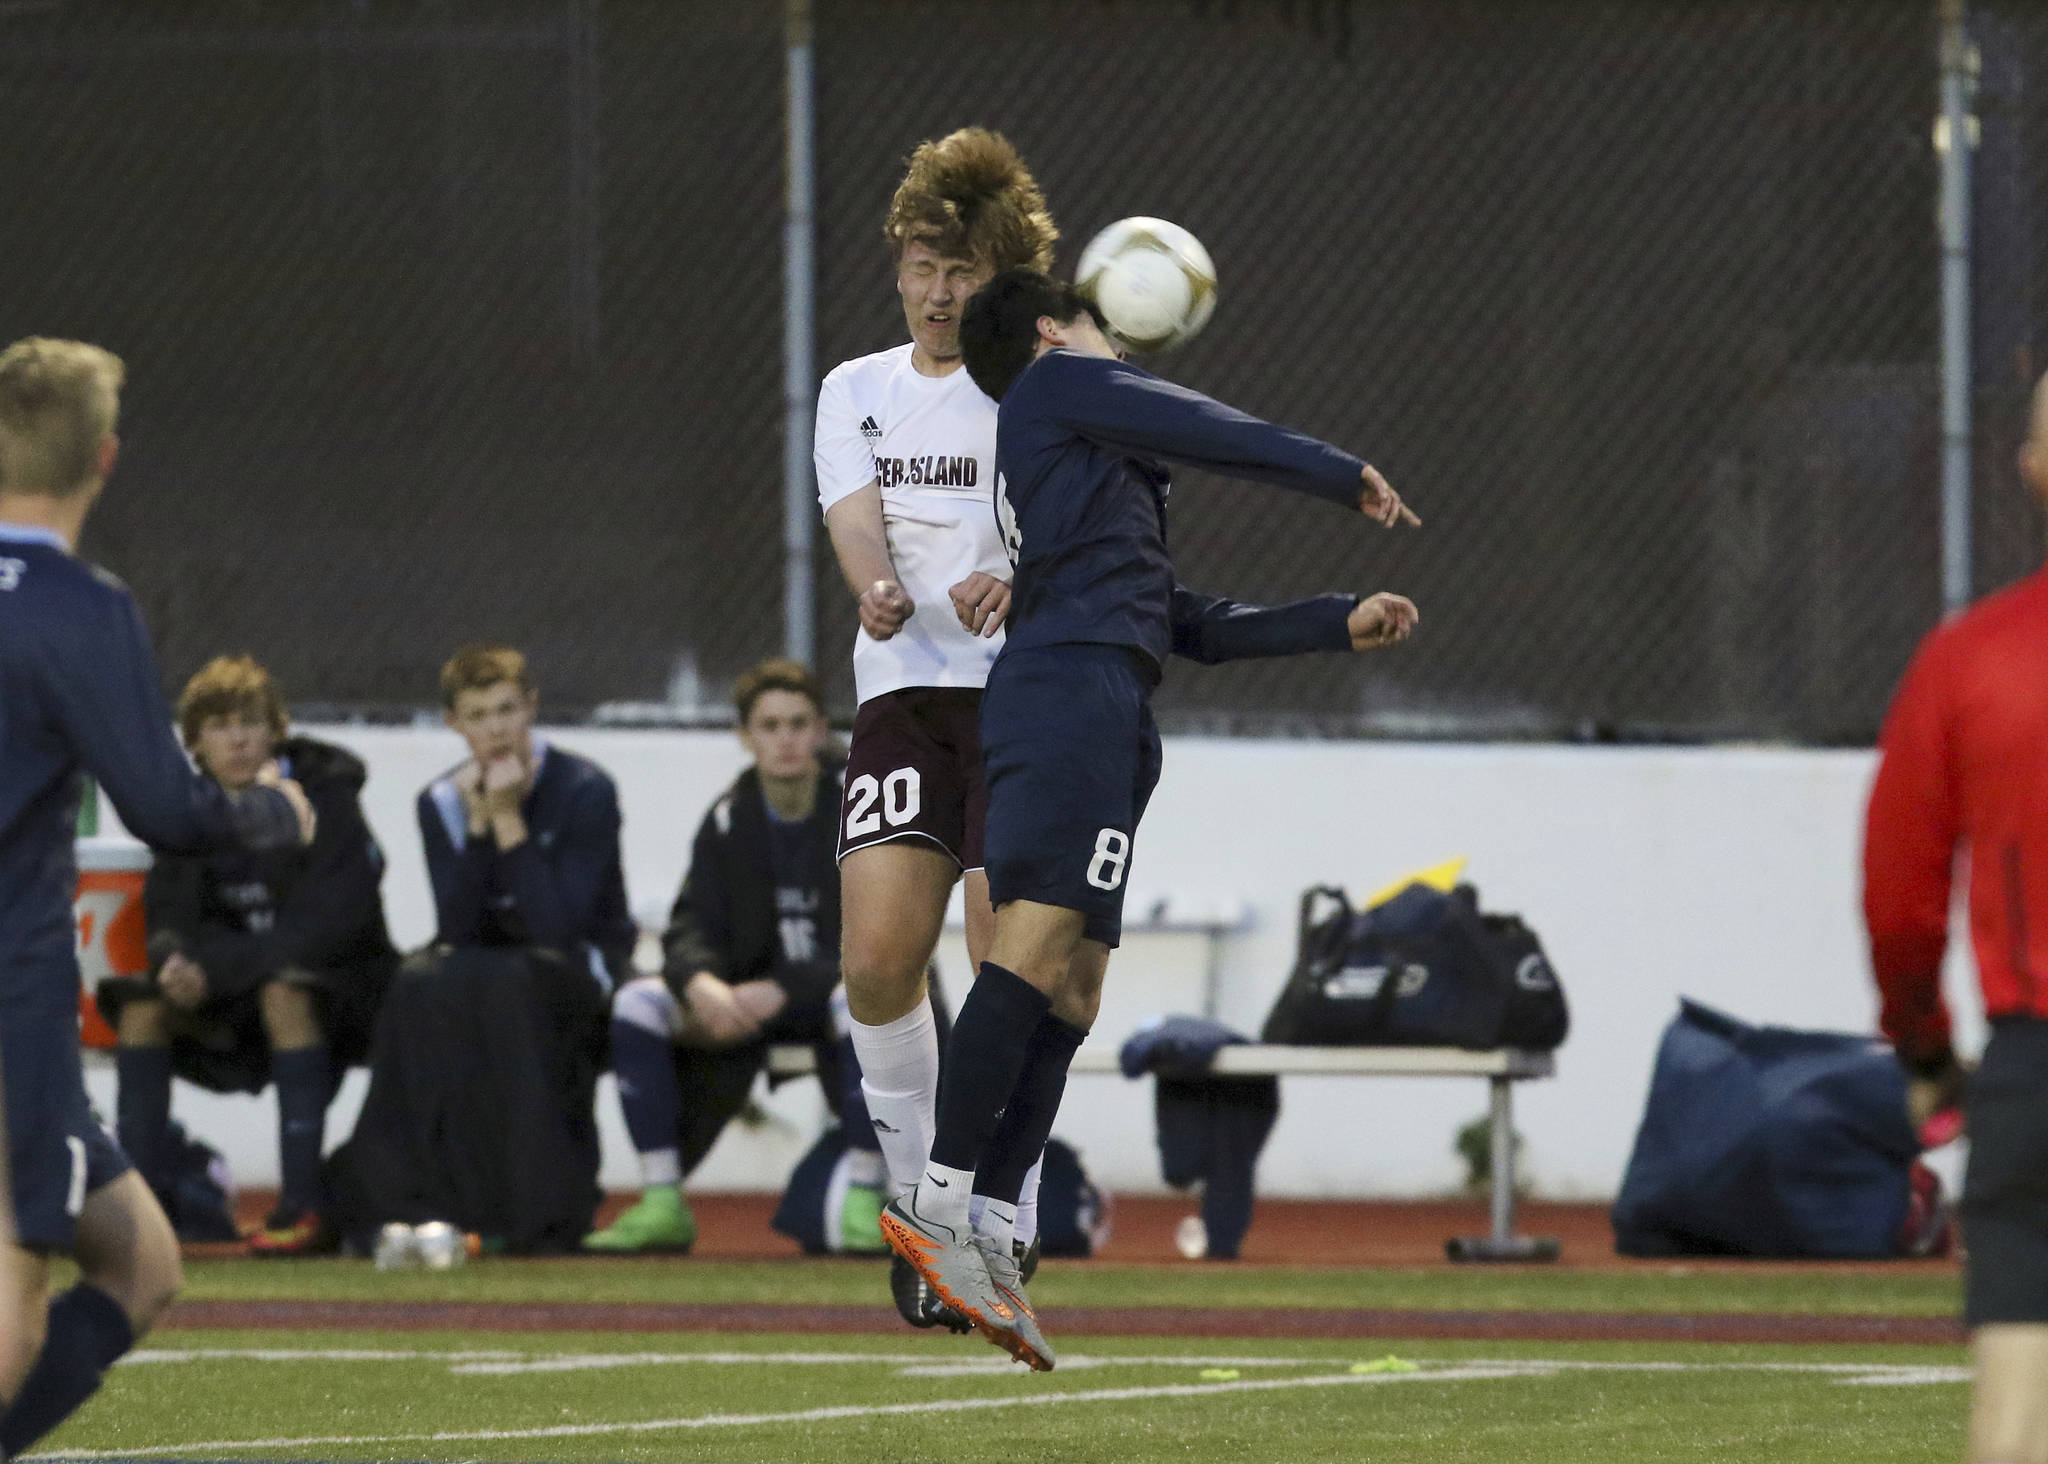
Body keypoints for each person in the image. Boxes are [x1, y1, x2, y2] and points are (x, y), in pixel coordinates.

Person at [881, 271, 1419, 1369]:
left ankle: (985, 1220)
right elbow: (1206, 425)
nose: (1110, 348)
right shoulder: (1054, 390)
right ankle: (935, 1210)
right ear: (1049, 333)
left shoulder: (1094, 470)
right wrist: (1338, 474)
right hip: (1066, 696)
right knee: (1029, 953)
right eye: (1090, 328)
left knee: (1074, 987)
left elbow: (1182, 621)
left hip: (1112, 703)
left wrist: (1334, 623)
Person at [0, 337, 314, 1452]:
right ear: (105, 457)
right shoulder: (83, 607)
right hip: (10, 999)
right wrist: (277, 811)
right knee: (13, 1301)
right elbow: (168, 812)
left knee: (140, 1260)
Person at [815, 127, 1061, 1327]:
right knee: (874, 963)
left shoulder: (1042, 384)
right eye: (920, 265)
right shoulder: (854, 390)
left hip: (1018, 700)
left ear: (998, 275)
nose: (935, 292)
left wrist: (1019, 580)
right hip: (903, 700)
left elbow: (1079, 530)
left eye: (958, 270)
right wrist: (871, 585)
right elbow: (856, 521)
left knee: (997, 955)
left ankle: (994, 1208)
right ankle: (921, 1204)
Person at [1863, 370, 2048, 1464]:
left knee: (2013, 1409)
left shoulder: (1970, 658)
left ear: (2030, 470)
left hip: (2035, 1067)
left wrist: (1923, 1046)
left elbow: (1898, 901)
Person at [325, 645, 630, 1253]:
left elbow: (557, 928)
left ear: (531, 708)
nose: (495, 728)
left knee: (510, 983)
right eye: (478, 715)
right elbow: (456, 926)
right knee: (416, 980)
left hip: (576, 966)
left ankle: (534, 1208)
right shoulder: (440, 801)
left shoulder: (585, 789)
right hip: (483, 962)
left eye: (507, 710)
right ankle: (405, 1197)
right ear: (454, 724)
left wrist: (510, 819)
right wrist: (480, 824)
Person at [97, 655, 398, 1254]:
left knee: (285, 990)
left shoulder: (326, 798)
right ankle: (141, 1216)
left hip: (345, 994)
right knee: (141, 1007)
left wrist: (214, 967)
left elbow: (332, 924)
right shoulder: (188, 811)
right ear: (196, 743)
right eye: (219, 725)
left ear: (276, 730)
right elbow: (170, 913)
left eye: (250, 723)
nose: (236, 739)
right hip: (232, 991)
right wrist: (175, 962)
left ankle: (300, 1205)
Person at [585, 660, 874, 1253]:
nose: (786, 738)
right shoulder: (726, 820)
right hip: (743, 1001)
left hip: (826, 999)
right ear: (745, 737)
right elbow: (690, 927)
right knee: (638, 1003)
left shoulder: (861, 811)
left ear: (821, 731)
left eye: (798, 724)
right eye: (769, 725)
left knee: (866, 1000)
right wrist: (701, 984)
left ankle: (867, 1199)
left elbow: (876, 936)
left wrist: (788, 987)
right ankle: (662, 1199)